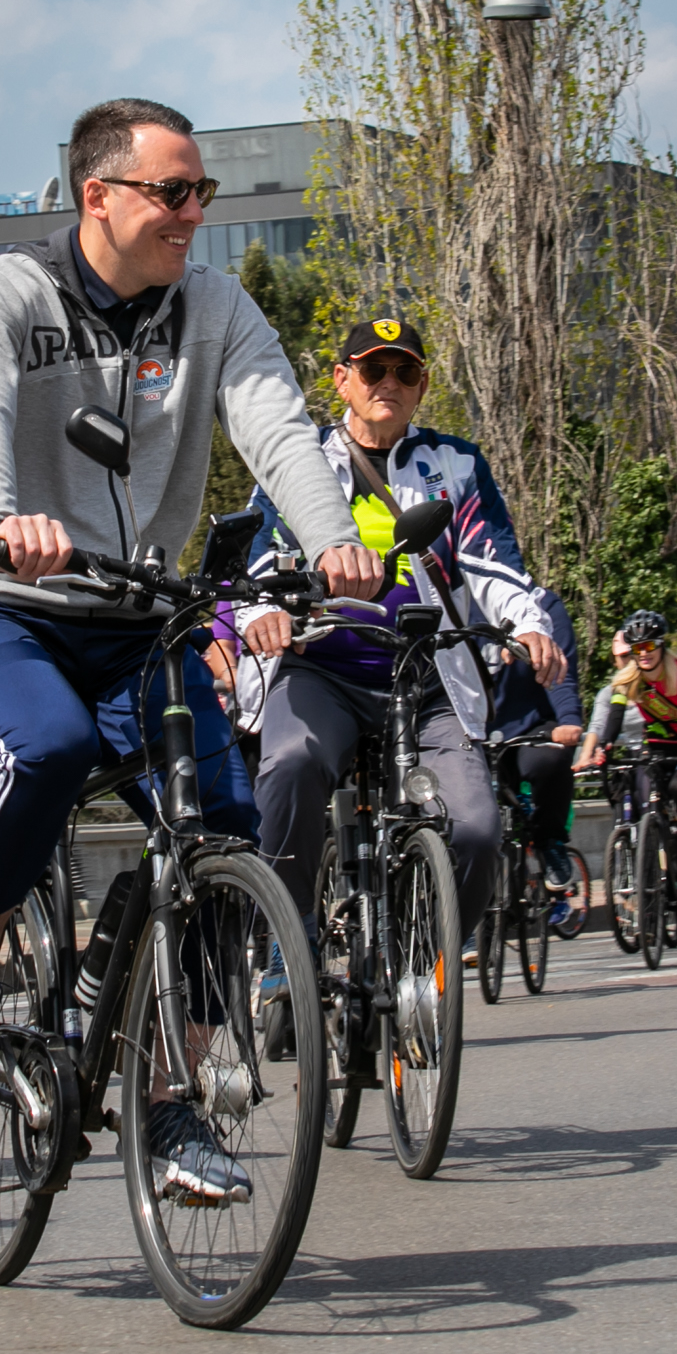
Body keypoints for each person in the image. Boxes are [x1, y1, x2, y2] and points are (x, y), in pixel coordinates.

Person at [0, 98, 377, 1210]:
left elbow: (273, 422)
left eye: (201, 191)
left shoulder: (212, 305)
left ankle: (170, 1098)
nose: (193, 212)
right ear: (98, 194)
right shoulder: (3, 294)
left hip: (140, 619)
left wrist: (335, 542)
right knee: (50, 746)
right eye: (173, 191)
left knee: (224, 822)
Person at [240, 315, 569, 935]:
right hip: (322, 672)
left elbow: (490, 561)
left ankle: (424, 961)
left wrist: (528, 625)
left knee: (475, 829)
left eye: (405, 370)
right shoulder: (298, 459)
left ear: (421, 386)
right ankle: (289, 938)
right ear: (342, 380)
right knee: (288, 766)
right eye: (372, 369)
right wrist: (263, 614)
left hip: (425, 684)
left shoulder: (457, 464)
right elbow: (262, 554)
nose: (388, 381)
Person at [577, 612, 677, 874]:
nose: (644, 653)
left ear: (661, 645)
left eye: (649, 646)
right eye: (638, 648)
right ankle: (652, 859)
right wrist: (604, 745)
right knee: (644, 792)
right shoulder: (628, 679)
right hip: (656, 749)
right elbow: (613, 719)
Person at [487, 581, 585, 896]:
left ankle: (549, 841)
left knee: (552, 759)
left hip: (530, 727)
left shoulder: (545, 605)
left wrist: (569, 721)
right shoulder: (452, 597)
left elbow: (561, 673)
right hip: (472, 726)